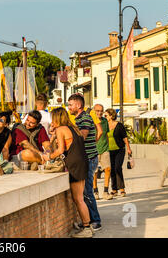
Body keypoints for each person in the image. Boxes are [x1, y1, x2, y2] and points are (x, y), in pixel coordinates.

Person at [42, 107, 92, 238]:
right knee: (81, 197)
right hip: (82, 163)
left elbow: (60, 150)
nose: (52, 121)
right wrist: (53, 136)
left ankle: (87, 228)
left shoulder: (61, 129)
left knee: (78, 199)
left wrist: (49, 157)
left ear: (57, 118)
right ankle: (86, 224)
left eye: (53, 118)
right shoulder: (74, 128)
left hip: (74, 165)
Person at [67, 93, 102, 232]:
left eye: (70, 104)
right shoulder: (77, 118)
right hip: (85, 158)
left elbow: (82, 137)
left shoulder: (85, 118)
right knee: (84, 191)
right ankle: (87, 220)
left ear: (78, 105)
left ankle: (96, 221)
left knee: (87, 191)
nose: (68, 107)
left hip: (89, 159)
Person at [104, 108, 132, 197]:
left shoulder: (119, 125)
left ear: (111, 116)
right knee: (111, 169)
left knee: (117, 168)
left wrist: (128, 148)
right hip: (108, 151)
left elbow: (125, 137)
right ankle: (114, 189)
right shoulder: (105, 125)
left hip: (119, 150)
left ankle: (122, 189)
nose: (105, 117)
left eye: (106, 115)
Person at [92, 104, 113, 201]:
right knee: (94, 172)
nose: (99, 113)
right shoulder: (91, 121)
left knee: (108, 169)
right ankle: (95, 191)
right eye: (97, 111)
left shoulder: (105, 121)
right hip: (94, 150)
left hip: (105, 149)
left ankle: (105, 191)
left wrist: (108, 147)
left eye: (101, 111)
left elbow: (106, 135)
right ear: (93, 111)